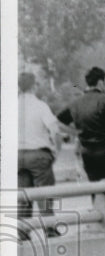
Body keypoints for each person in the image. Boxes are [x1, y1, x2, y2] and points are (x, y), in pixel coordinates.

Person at [56, 66, 105, 182]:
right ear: (100, 83)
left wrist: (76, 132)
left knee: (97, 190)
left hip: (88, 154)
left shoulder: (75, 103)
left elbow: (57, 121)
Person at [18, 71, 62, 229]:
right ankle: (50, 230)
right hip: (38, 154)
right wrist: (56, 150)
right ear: (33, 86)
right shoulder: (40, 105)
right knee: (44, 196)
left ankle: (22, 233)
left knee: (23, 197)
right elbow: (55, 130)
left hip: (18, 156)